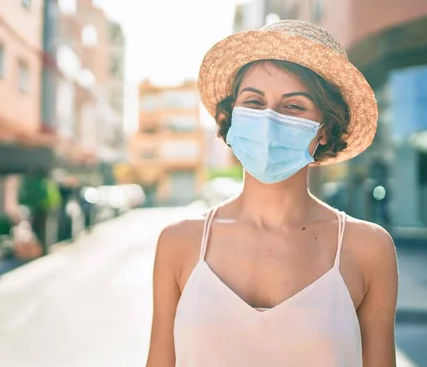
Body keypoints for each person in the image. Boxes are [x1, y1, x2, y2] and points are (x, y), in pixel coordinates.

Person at [146, 20, 398, 367]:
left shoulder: (368, 249)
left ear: (324, 130)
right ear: (233, 115)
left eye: (293, 107)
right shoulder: (179, 243)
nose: (268, 120)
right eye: (253, 101)